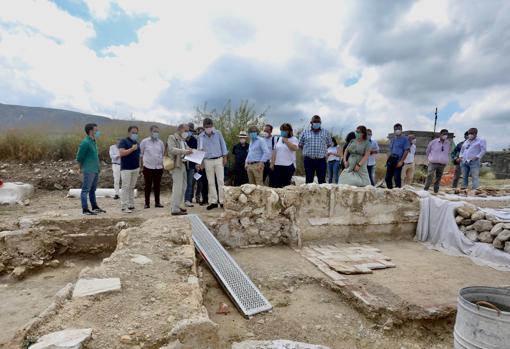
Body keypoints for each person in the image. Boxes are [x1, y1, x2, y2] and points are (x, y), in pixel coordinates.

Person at [198, 118, 228, 210]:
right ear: (204, 127)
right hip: (207, 161)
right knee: (210, 182)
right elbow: (199, 150)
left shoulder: (218, 133)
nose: (208, 128)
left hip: (219, 159)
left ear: (212, 126)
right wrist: (201, 162)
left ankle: (222, 201)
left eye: (210, 126)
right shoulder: (201, 136)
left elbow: (223, 145)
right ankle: (214, 201)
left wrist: (225, 157)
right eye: (206, 127)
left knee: (220, 180)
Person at [76, 123, 105, 215]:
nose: (98, 132)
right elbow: (79, 157)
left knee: (93, 190)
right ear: (90, 131)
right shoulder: (85, 142)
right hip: (88, 169)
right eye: (96, 130)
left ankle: (95, 207)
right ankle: (85, 209)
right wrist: (80, 167)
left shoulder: (93, 142)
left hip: (95, 169)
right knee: (85, 190)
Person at [299, 115, 332, 184]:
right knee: (309, 180)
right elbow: (300, 145)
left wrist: (322, 150)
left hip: (321, 160)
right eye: (314, 121)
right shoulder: (305, 132)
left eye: (318, 122)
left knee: (322, 181)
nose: (316, 123)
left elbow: (329, 144)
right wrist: (307, 151)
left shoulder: (326, 132)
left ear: (320, 123)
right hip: (308, 160)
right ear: (311, 122)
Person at [168, 124, 193, 215]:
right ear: (181, 129)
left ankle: (178, 205)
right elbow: (172, 149)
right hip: (176, 165)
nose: (187, 133)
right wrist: (185, 151)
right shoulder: (172, 137)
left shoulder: (183, 140)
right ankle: (174, 209)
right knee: (177, 186)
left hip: (183, 164)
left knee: (183, 186)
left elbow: (186, 149)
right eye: (186, 131)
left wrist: (191, 150)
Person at [140, 125, 165, 208]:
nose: (156, 133)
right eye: (154, 131)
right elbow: (141, 154)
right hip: (148, 167)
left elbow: (163, 154)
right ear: (150, 132)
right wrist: (141, 166)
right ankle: (147, 203)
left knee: (157, 185)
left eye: (157, 132)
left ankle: (157, 202)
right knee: (148, 186)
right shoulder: (144, 142)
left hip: (158, 167)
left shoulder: (161, 143)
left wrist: (163, 165)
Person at [118, 126, 141, 213]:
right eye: (133, 132)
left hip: (135, 168)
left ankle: (131, 205)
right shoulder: (123, 141)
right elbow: (121, 153)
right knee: (125, 187)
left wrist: (140, 166)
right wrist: (131, 149)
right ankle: (124, 206)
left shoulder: (137, 143)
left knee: (132, 187)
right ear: (129, 133)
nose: (135, 134)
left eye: (136, 133)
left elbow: (138, 155)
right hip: (126, 168)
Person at [270, 123, 299, 188]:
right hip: (277, 165)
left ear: (289, 131)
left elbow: (295, 148)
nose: (282, 132)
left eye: (284, 130)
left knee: (286, 185)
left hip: (288, 166)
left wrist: (286, 142)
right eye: (281, 130)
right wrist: (272, 163)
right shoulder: (278, 139)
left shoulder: (294, 139)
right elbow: (275, 151)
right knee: (277, 185)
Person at [424, 129, 452, 193]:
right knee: (430, 176)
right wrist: (430, 158)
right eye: (444, 134)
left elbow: (448, 152)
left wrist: (445, 159)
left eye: (446, 134)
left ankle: (436, 191)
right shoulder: (433, 142)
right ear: (440, 134)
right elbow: (427, 151)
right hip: (433, 163)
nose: (445, 135)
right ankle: (425, 190)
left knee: (438, 178)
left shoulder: (448, 143)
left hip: (442, 164)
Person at [385, 123, 410, 189]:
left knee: (396, 178)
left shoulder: (405, 139)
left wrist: (401, 161)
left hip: (398, 161)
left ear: (401, 129)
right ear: (394, 130)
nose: (397, 130)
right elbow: (389, 150)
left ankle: (397, 191)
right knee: (387, 178)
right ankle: (390, 191)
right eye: (396, 129)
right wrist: (387, 161)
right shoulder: (393, 139)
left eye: (399, 129)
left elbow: (406, 150)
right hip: (391, 160)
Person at [184, 123, 198, 207]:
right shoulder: (182, 139)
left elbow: (196, 153)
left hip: (192, 165)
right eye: (188, 131)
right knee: (182, 182)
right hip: (182, 164)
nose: (190, 132)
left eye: (191, 131)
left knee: (189, 183)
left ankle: (187, 199)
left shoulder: (195, 140)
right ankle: (180, 199)